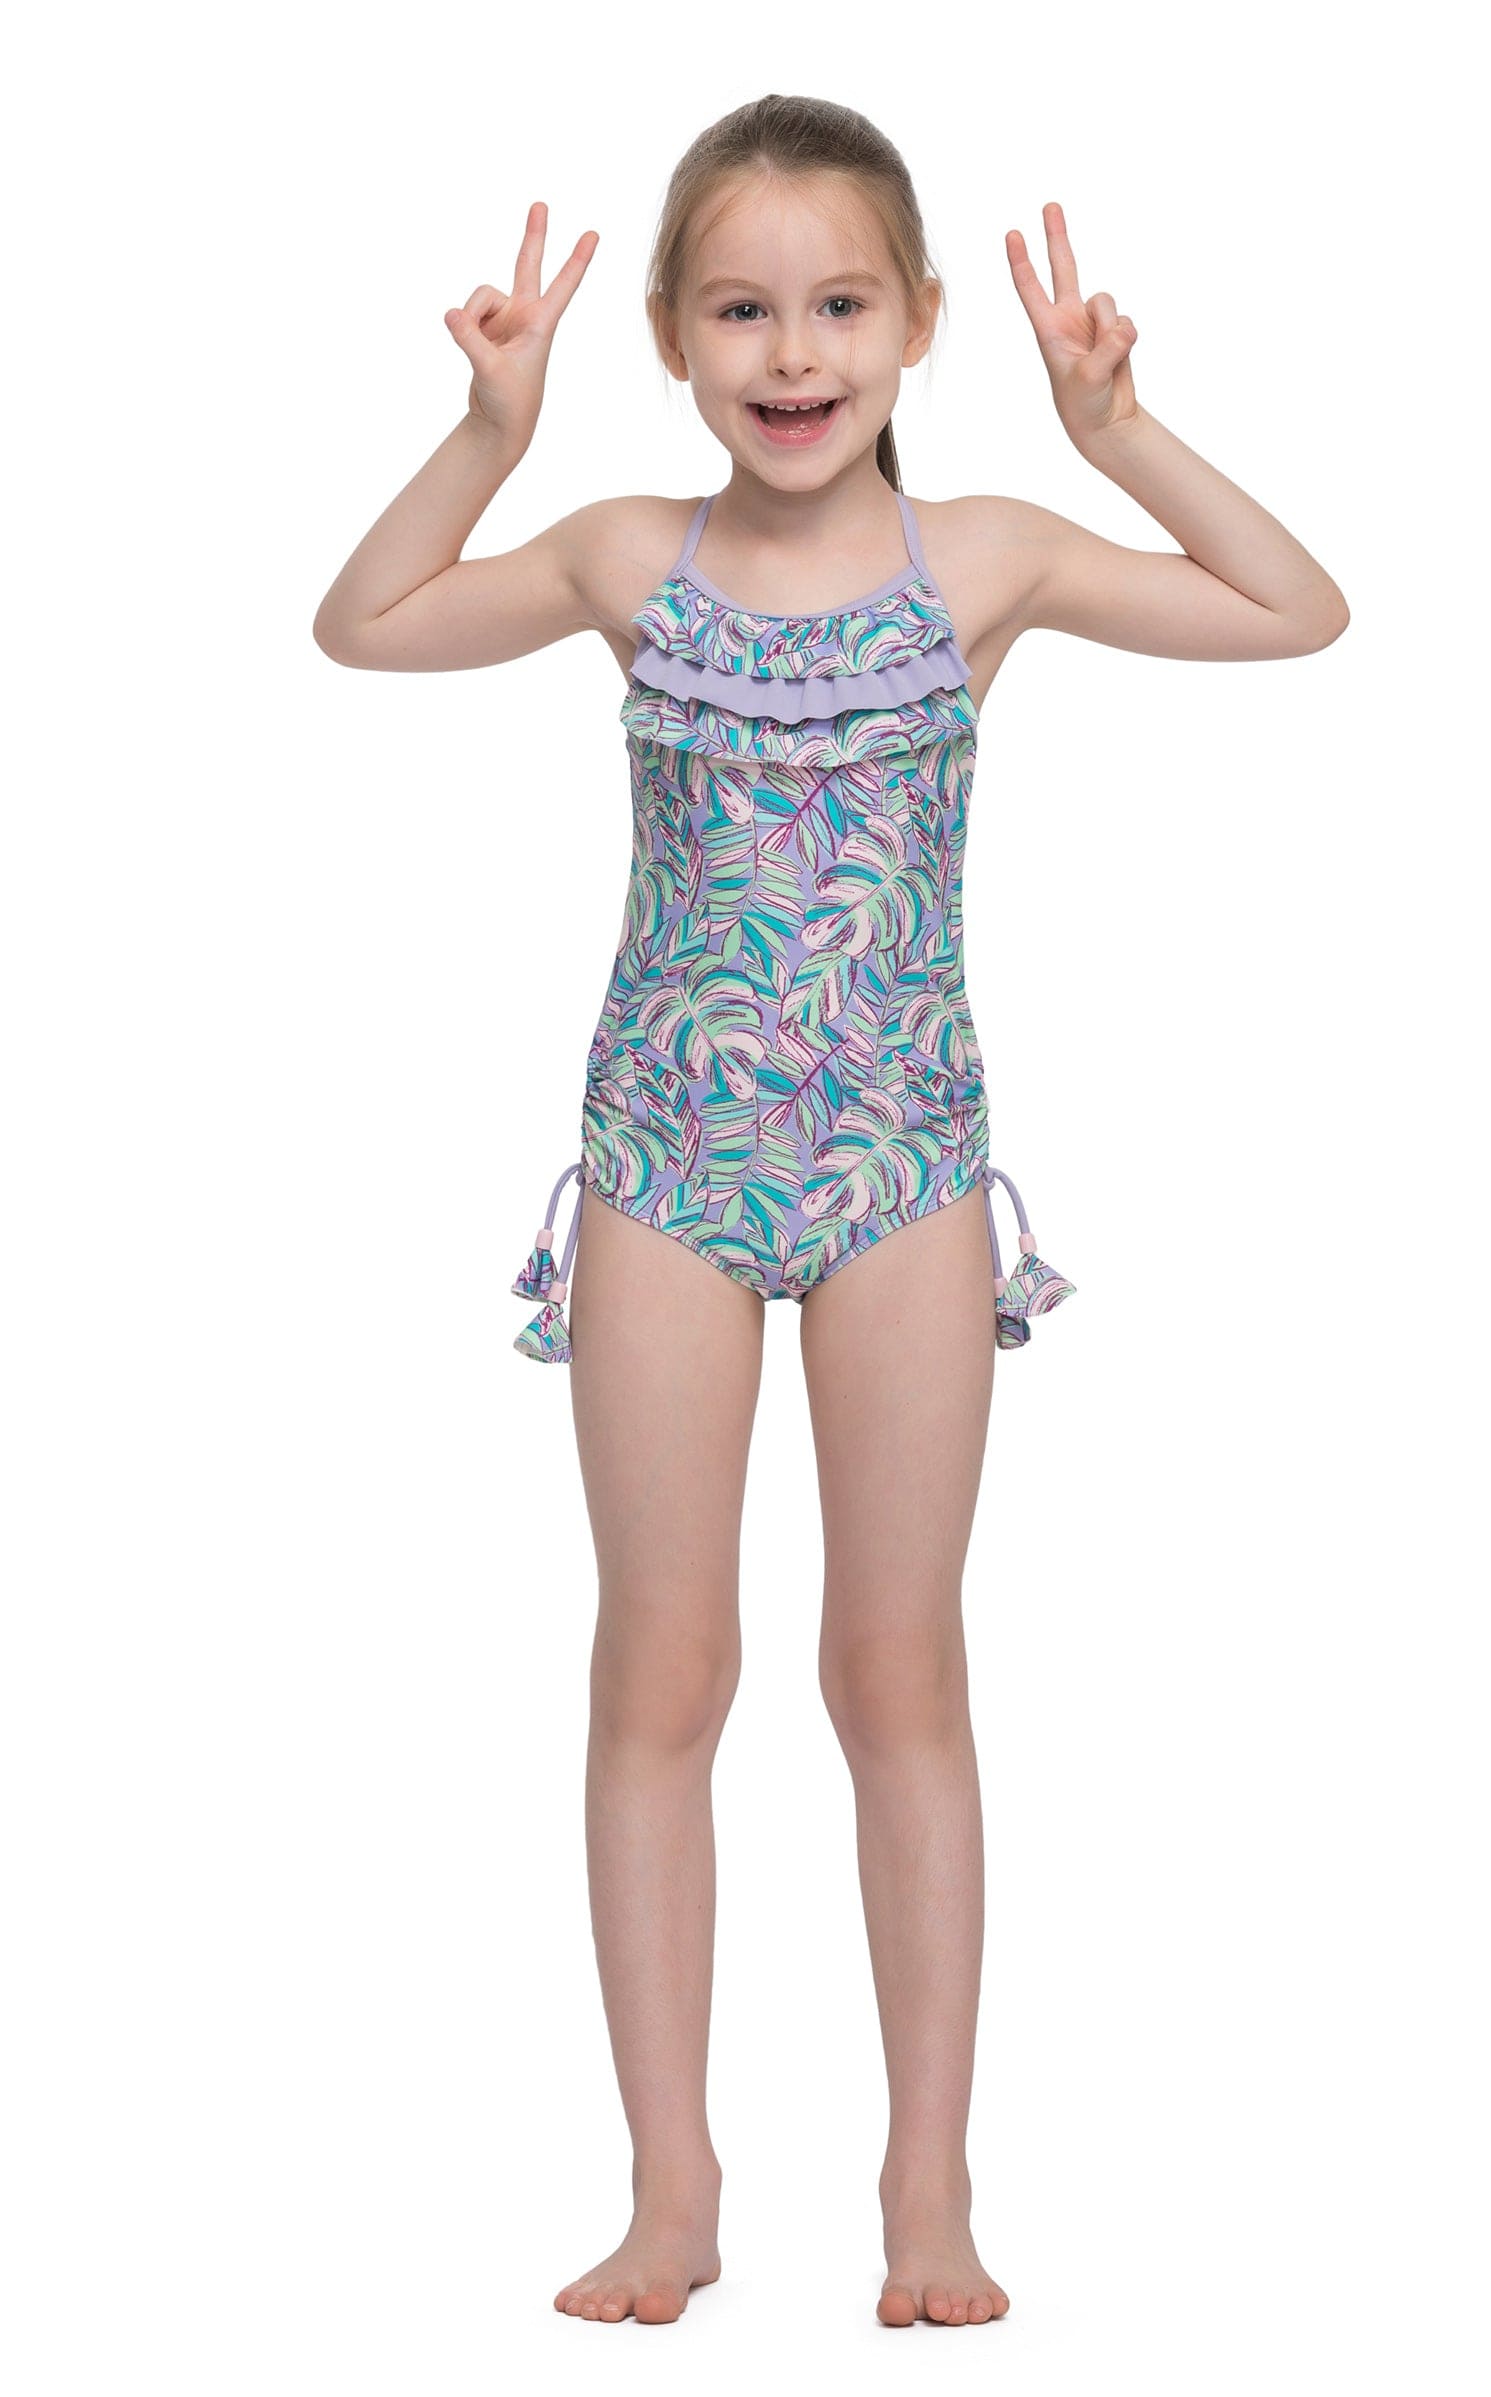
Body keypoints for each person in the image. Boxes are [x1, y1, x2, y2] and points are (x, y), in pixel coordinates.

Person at [312, 92, 1348, 2332]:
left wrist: (1119, 433)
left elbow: (1298, 608)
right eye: (741, 311)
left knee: (896, 1668)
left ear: (917, 324)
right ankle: (670, 2188)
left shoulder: (986, 560)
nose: (793, 354)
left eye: (840, 305)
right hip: (664, 1165)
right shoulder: (623, 557)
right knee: (660, 1664)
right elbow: (362, 622)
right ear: (673, 339)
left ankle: (927, 2192)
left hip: (897, 1163)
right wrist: (483, 433)